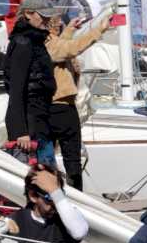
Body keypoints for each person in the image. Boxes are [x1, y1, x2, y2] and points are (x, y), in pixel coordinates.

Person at [44, 14, 109, 190]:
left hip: (61, 107)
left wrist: (70, 29)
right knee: (70, 161)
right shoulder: (49, 44)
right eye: (57, 26)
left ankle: (68, 194)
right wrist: (99, 30)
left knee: (68, 159)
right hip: (58, 107)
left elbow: (61, 47)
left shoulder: (50, 43)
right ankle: (69, 195)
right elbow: (70, 48)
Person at [1, 163, 90, 243]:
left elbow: (79, 232)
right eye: (49, 197)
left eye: (58, 195)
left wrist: (54, 190)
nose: (55, 203)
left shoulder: (68, 218)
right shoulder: (15, 222)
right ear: (33, 196)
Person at [4, 0, 58, 167]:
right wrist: (21, 131)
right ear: (28, 13)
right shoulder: (23, 43)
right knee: (39, 179)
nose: (47, 20)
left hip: (41, 119)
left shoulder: (36, 41)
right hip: (29, 125)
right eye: (43, 16)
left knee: (47, 173)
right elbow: (16, 89)